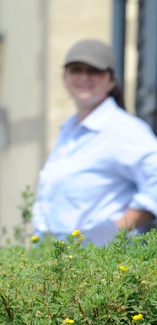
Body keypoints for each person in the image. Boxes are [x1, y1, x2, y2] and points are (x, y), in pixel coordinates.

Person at [33, 39, 157, 245]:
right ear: (64, 78)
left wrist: (110, 235)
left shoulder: (123, 130)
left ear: (110, 80)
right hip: (55, 256)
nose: (84, 77)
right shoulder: (69, 130)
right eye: (76, 70)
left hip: (94, 263)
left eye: (94, 71)